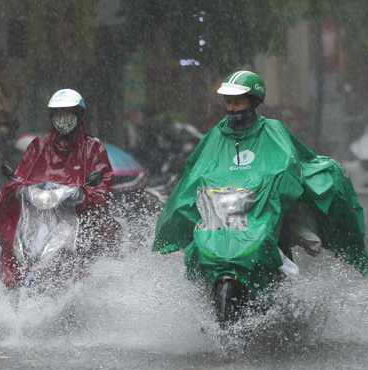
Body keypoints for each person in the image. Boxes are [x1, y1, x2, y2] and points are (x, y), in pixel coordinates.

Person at [153, 70, 368, 297]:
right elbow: (195, 174)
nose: (232, 107)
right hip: (222, 208)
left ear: (253, 102)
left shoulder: (274, 131)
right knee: (197, 242)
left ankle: (281, 293)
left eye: (238, 102)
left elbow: (292, 162)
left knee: (279, 230)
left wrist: (275, 185)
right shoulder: (214, 136)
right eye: (228, 101)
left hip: (263, 207)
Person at [0, 88, 118, 289]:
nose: (62, 118)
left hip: (78, 216)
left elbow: (104, 183)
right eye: (57, 113)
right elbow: (21, 176)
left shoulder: (93, 147)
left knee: (91, 250)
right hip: (39, 217)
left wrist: (87, 193)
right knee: (13, 242)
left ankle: (87, 291)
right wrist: (15, 187)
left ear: (78, 115)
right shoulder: (38, 145)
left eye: (67, 113)